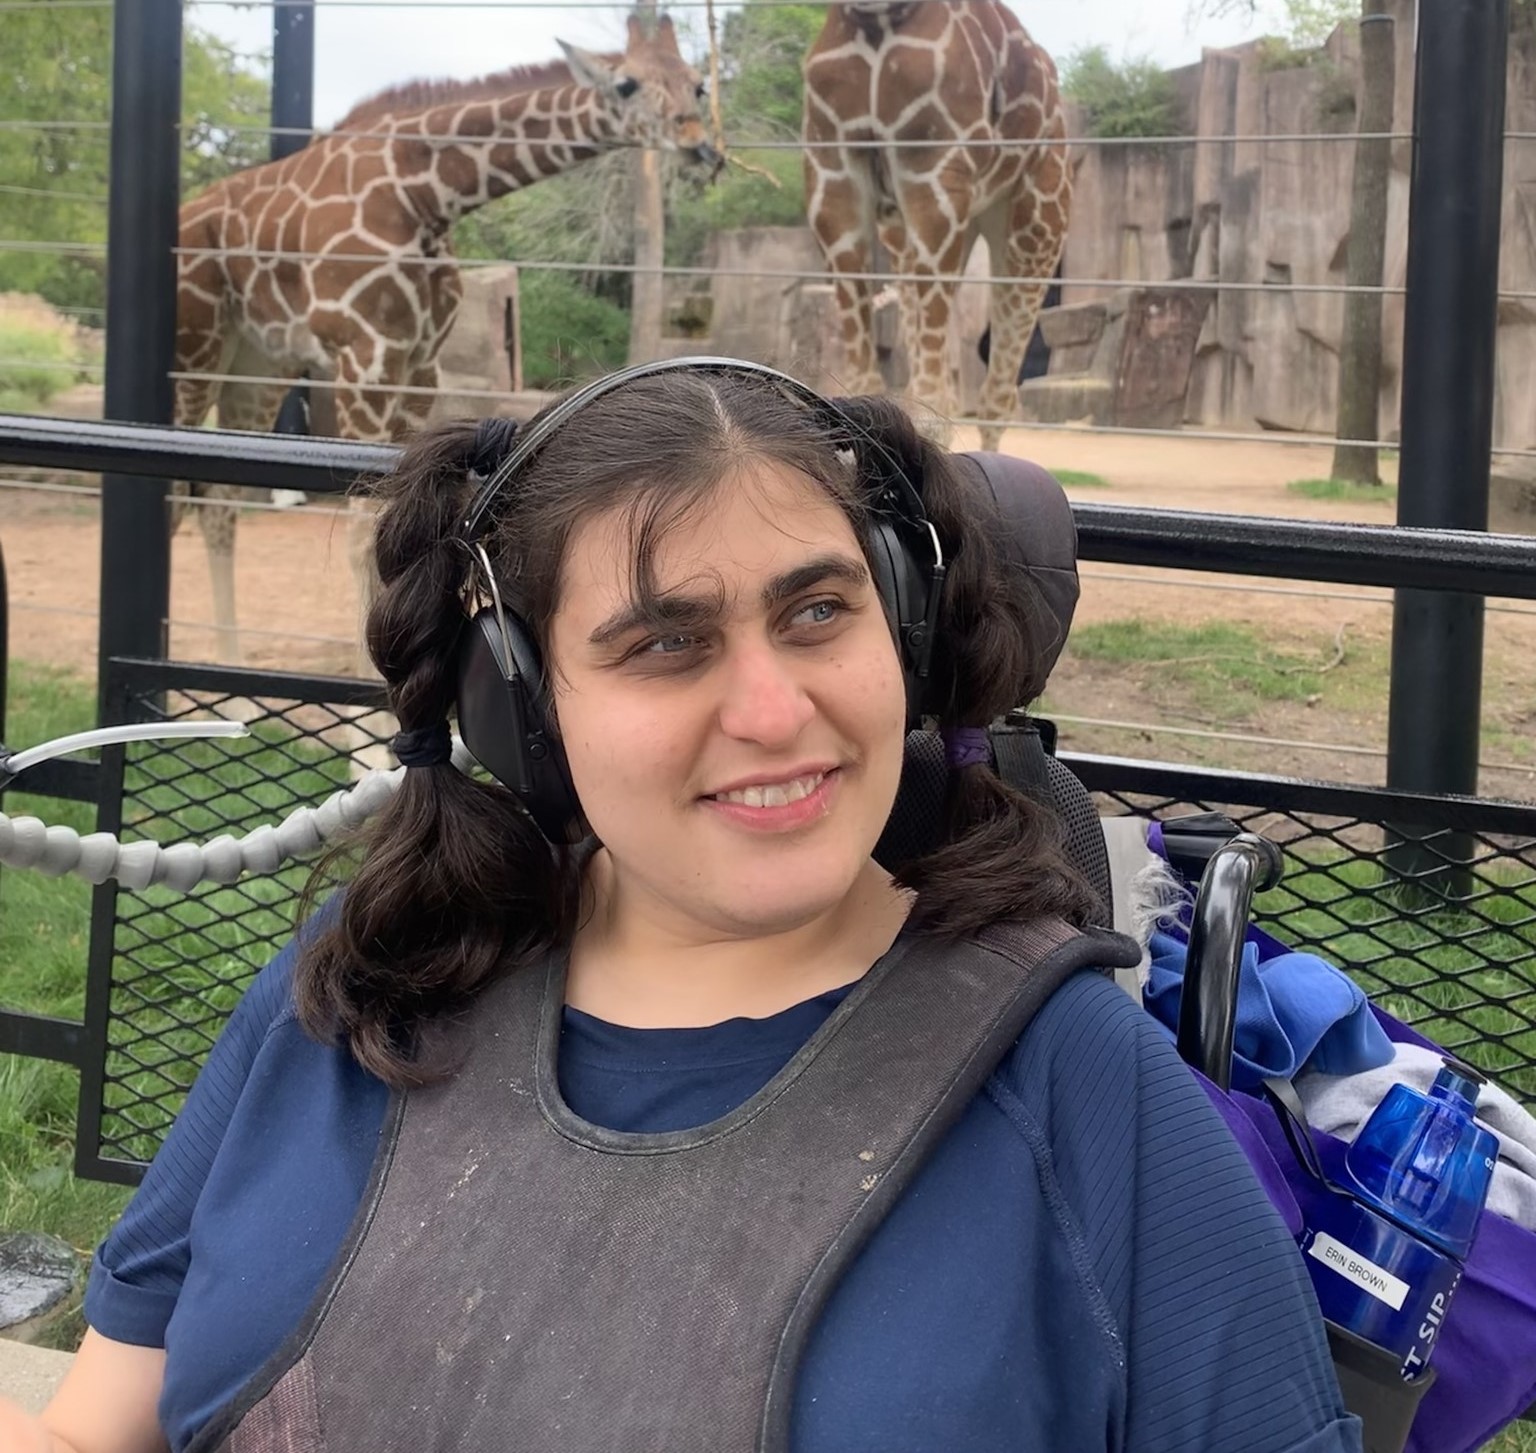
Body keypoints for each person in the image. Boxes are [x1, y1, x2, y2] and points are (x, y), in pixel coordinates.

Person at [1, 359, 1361, 1453]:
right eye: (665, 642)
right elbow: (92, 1427)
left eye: (818, 612)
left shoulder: (1080, 1092)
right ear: (522, 709)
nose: (776, 712)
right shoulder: (357, 991)